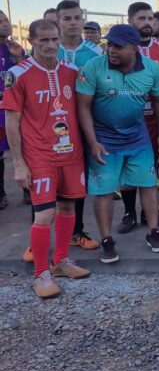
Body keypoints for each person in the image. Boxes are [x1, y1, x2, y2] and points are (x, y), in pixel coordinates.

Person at [4, 19, 91, 298]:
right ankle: (41, 273)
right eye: (43, 40)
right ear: (31, 41)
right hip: (39, 156)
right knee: (45, 214)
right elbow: (11, 121)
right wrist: (18, 162)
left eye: (54, 39)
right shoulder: (19, 74)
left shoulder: (73, 71)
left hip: (72, 154)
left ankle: (61, 262)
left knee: (68, 209)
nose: (51, 45)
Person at [77, 24, 159, 263]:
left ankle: (153, 232)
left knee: (148, 184)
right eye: (109, 45)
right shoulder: (94, 66)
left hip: (137, 138)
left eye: (118, 46)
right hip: (104, 140)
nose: (111, 50)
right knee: (104, 190)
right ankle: (107, 241)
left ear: (134, 48)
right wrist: (92, 141)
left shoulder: (151, 68)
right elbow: (83, 106)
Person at [117, 2, 159, 234]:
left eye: (151, 19)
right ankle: (129, 213)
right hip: (127, 118)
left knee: (152, 166)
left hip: (154, 118)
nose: (148, 23)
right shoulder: (119, 48)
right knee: (128, 165)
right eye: (142, 18)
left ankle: (149, 212)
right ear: (131, 21)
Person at [56, 0, 102, 252]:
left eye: (77, 18)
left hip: (83, 124)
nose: (73, 23)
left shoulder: (95, 53)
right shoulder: (48, 49)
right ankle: (38, 235)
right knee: (47, 177)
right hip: (51, 126)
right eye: (67, 18)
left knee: (78, 177)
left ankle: (77, 231)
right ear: (58, 21)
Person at [0, 10, 22, 210]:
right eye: (1, 22)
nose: (6, 24)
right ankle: (1, 194)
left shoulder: (15, 48)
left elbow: (27, 72)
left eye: (6, 19)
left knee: (24, 146)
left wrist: (19, 57)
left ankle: (29, 189)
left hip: (17, 109)